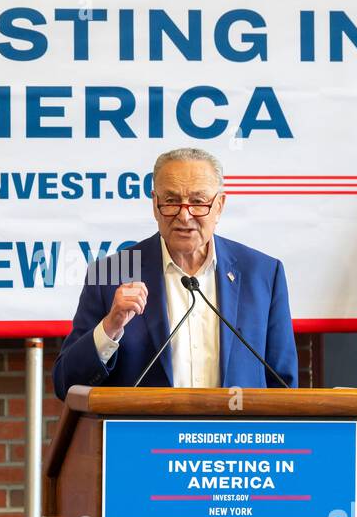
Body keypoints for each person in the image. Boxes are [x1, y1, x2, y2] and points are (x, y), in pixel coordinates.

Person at [52, 147, 297, 399]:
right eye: (171, 201)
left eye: (198, 202)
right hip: (145, 437)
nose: (184, 214)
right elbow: (66, 384)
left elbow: (284, 385)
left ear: (220, 205)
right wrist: (110, 327)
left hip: (236, 436)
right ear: (155, 205)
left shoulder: (262, 273)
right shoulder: (111, 273)